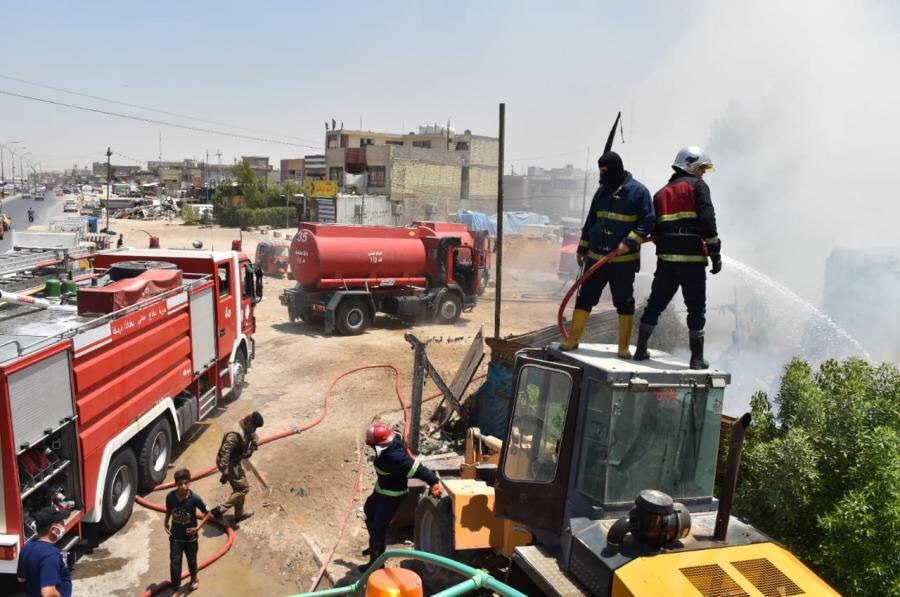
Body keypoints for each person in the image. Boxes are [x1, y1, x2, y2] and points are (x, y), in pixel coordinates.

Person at [634, 146, 721, 369]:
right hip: (691, 260)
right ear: (691, 165)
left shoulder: (661, 193)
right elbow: (707, 221)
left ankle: (641, 350)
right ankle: (696, 359)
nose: (702, 173)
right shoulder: (698, 187)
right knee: (696, 308)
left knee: (655, 304)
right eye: (701, 168)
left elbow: (654, 228)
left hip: (666, 260)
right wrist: (715, 253)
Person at [561, 151, 655, 356]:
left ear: (617, 170)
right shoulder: (602, 191)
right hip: (596, 258)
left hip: (623, 260)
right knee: (585, 296)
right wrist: (583, 248)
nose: (603, 178)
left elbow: (648, 222)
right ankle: (573, 340)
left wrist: (629, 242)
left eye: (606, 173)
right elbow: (591, 221)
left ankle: (623, 347)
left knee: (623, 300)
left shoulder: (639, 192)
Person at [358, 423, 442, 572]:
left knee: (378, 528)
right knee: (368, 511)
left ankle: (376, 563)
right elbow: (399, 433)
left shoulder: (395, 458)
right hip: (381, 489)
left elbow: (418, 469)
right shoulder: (393, 438)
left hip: (392, 495)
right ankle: (374, 546)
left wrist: (434, 482)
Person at [210, 412, 263, 526]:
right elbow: (225, 453)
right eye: (254, 427)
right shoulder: (234, 435)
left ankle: (239, 514)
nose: (254, 430)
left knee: (239, 488)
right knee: (243, 489)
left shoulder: (247, 427)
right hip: (228, 463)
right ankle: (219, 510)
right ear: (249, 422)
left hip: (234, 462)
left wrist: (252, 449)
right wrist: (225, 472)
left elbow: (254, 436)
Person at [165, 468, 211, 593]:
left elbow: (208, 513)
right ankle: (176, 589)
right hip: (175, 537)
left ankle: (194, 579)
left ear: (190, 482)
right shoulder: (170, 497)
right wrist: (165, 523)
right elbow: (169, 509)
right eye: (180, 484)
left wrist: (198, 528)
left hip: (191, 538)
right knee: (175, 563)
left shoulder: (195, 498)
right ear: (176, 484)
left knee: (192, 560)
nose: (183, 486)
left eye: (186, 483)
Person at [16, 508, 72, 597]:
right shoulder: (51, 555)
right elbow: (48, 593)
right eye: (62, 524)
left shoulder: (26, 548)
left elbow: (21, 579)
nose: (64, 526)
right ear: (54, 529)